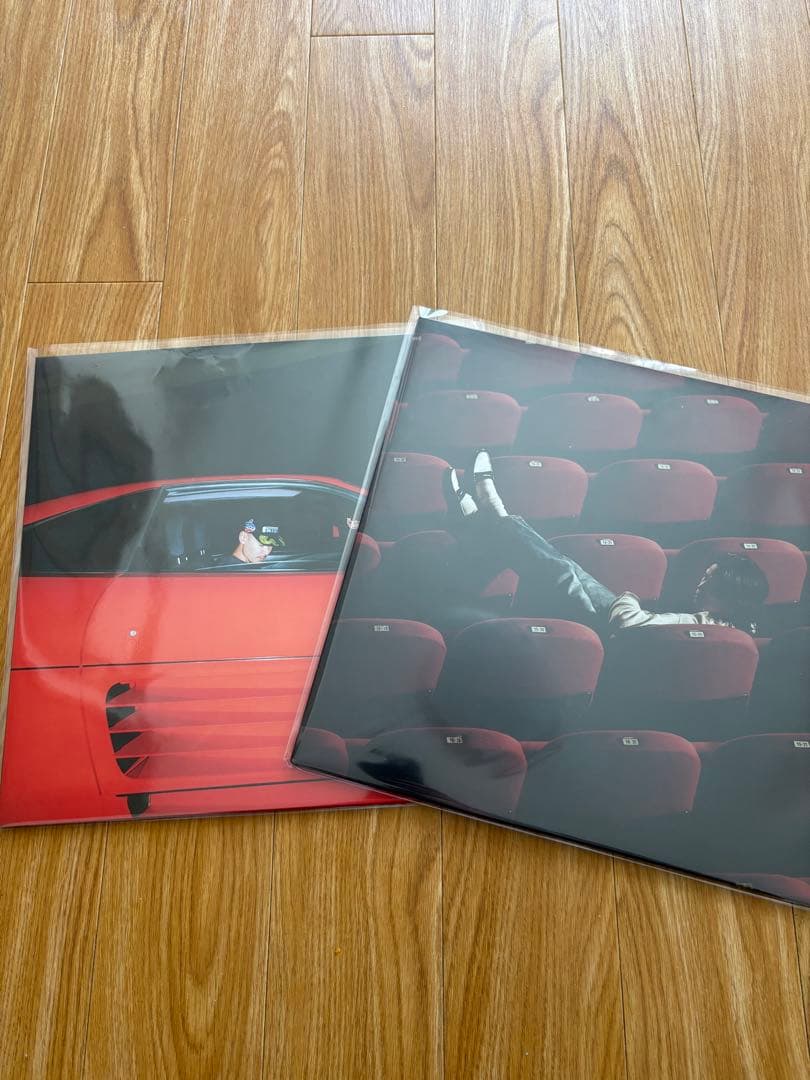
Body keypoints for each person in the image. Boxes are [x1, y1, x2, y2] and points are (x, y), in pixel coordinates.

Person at [446, 451, 769, 634]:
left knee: (561, 569)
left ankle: (491, 515)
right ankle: (489, 518)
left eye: (710, 583)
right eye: (704, 578)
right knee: (564, 569)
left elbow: (627, 621)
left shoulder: (699, 625)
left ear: (731, 596)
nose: (700, 586)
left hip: (611, 633)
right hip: (615, 638)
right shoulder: (737, 633)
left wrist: (629, 597)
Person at [213, 517, 286, 566]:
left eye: (271, 545)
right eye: (261, 545)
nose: (266, 552)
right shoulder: (227, 573)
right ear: (243, 537)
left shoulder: (246, 568)